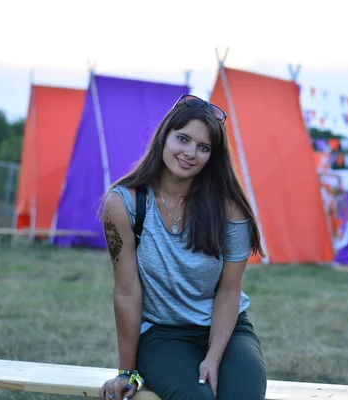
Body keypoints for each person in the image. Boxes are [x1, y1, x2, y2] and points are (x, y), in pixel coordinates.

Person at [98, 94, 267, 400]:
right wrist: (127, 372)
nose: (191, 153)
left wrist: (213, 359)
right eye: (183, 139)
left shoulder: (229, 208)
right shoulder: (124, 203)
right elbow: (126, 290)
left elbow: (229, 290)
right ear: (165, 136)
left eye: (204, 147)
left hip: (226, 330)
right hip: (162, 333)